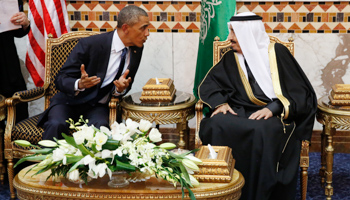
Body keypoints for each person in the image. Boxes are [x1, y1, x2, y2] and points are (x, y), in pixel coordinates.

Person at [198, 12, 317, 200]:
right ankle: (218, 188)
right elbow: (211, 84)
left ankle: (257, 193)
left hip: (276, 115)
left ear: (248, 34)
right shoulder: (232, 58)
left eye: (233, 33)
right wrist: (219, 104)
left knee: (261, 131)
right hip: (240, 110)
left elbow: (301, 92)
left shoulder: (277, 53)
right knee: (215, 123)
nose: (229, 39)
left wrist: (273, 109)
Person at [37, 5, 150, 140]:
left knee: (101, 128)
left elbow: (125, 84)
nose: (147, 33)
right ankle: (49, 161)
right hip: (69, 102)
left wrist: (119, 90)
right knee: (57, 124)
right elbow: (61, 78)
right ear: (125, 28)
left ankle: (92, 161)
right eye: (143, 28)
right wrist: (79, 84)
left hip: (98, 106)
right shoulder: (91, 44)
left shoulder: (137, 49)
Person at [0, 0, 30, 124]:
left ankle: (15, 143)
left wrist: (25, 23)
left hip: (8, 62)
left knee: (19, 111)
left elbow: (17, 32)